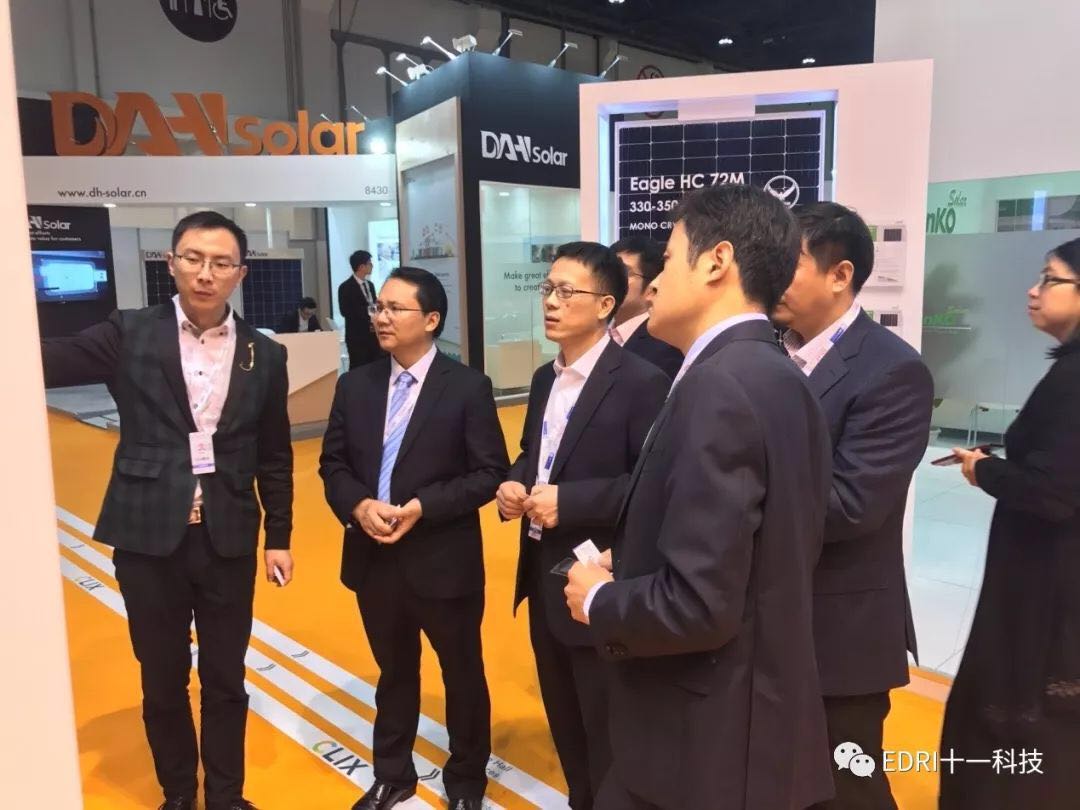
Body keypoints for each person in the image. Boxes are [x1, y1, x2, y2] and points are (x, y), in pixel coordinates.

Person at [564, 184, 834, 810]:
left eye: (666, 259)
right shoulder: (775, 373)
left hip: (701, 740)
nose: (653, 284)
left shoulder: (719, 387)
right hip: (749, 722)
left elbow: (700, 604)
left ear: (717, 261)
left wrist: (599, 598)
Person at [40, 210, 294, 810]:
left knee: (226, 678)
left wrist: (279, 537)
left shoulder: (264, 353)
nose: (206, 273)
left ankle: (226, 797)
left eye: (221, 263)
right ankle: (178, 794)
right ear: (171, 262)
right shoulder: (128, 332)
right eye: (193, 258)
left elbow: (275, 455)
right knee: (162, 679)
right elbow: (42, 359)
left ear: (240, 273)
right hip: (147, 535)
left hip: (227, 536)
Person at [319, 267, 509, 810]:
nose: (381, 317)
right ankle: (392, 774)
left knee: (462, 673)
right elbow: (332, 463)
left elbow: (489, 473)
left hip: (442, 558)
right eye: (378, 306)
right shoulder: (355, 385)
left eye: (395, 308)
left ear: (430, 320)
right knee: (394, 672)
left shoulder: (467, 387)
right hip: (374, 557)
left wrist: (423, 506)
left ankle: (466, 780)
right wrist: (359, 505)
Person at [771, 202, 934, 809]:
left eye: (786, 263)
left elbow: (851, 504)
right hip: (770, 620)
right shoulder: (767, 352)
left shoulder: (892, 371)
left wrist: (730, 499)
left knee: (847, 787)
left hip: (840, 631)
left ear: (840, 274)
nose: (769, 276)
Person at [496, 242, 668, 810]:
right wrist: (515, 483)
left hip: (599, 576)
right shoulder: (545, 378)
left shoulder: (641, 381)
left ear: (605, 305)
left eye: (567, 292)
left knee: (605, 726)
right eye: (548, 288)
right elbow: (534, 453)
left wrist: (569, 502)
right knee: (564, 718)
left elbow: (650, 485)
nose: (551, 301)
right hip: (542, 570)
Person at [938, 237, 1080, 810]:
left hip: (1047, 581)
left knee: (1018, 717)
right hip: (1052, 573)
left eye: (1050, 278)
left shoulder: (1074, 379)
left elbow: (1052, 491)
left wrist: (986, 470)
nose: (1033, 290)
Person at [609, 236, 684, 379]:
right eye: (607, 272)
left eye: (624, 273)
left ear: (653, 283)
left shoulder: (666, 346)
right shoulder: (595, 334)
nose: (611, 280)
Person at [338, 249, 382, 368]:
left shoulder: (370, 285)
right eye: (369, 263)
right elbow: (345, 311)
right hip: (357, 336)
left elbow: (373, 304)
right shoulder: (345, 287)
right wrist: (368, 311)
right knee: (358, 368)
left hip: (373, 334)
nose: (372, 266)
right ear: (361, 266)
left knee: (375, 367)